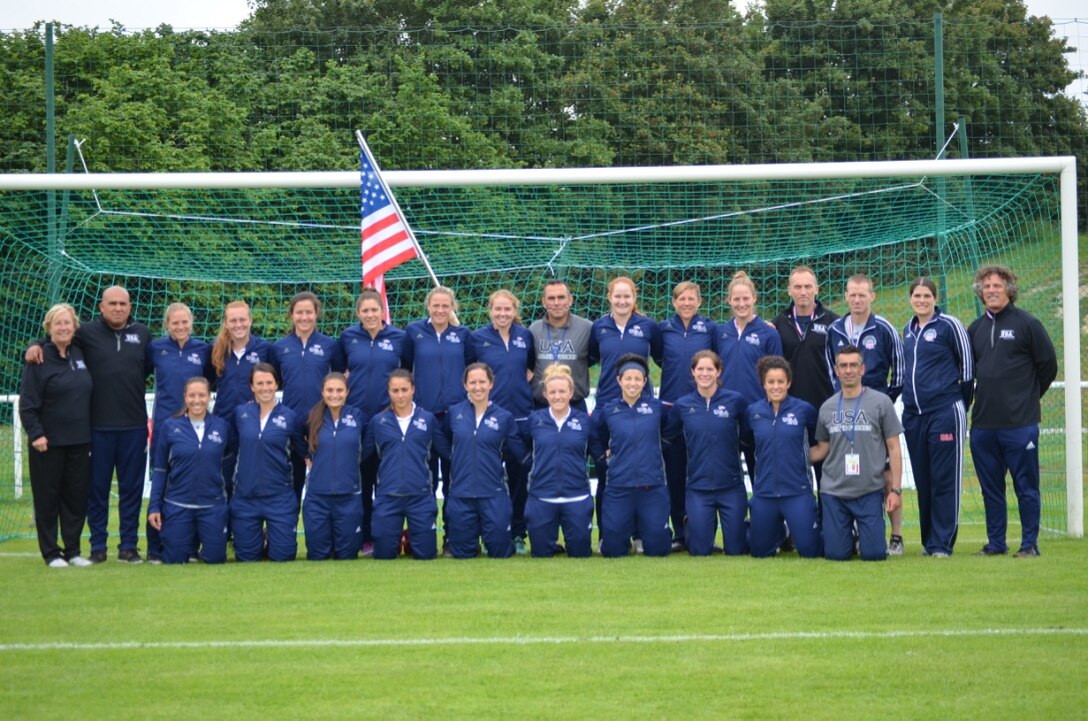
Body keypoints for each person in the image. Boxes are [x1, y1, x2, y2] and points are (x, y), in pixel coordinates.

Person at [27, 285, 152, 564]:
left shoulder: (144, 334)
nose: (118, 307)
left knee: (131, 490)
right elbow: (58, 335)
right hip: (97, 429)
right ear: (101, 307)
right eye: (112, 303)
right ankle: (97, 548)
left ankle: (128, 547)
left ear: (130, 306)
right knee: (96, 491)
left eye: (123, 303)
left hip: (133, 426)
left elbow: (149, 369)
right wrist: (33, 344)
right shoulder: (85, 335)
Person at [968, 264, 1057, 558]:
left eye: (997, 285)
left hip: (1020, 425)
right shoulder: (975, 329)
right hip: (983, 426)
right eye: (987, 286)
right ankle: (996, 544)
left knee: (1026, 487)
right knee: (991, 489)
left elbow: (1048, 367)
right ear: (980, 291)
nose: (991, 290)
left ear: (1009, 289)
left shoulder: (1027, 324)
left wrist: (1027, 399)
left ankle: (1029, 544)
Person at [824, 274, 906, 554]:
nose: (857, 300)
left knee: (884, 473)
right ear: (845, 296)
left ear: (872, 296)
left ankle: (896, 536)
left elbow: (900, 373)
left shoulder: (885, 328)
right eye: (852, 295)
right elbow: (829, 371)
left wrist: (880, 403)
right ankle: (856, 532)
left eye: (863, 295)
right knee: (849, 469)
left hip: (876, 414)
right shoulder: (834, 329)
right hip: (845, 413)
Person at [901, 277, 973, 557]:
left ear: (935, 297)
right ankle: (929, 540)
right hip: (914, 416)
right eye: (917, 295)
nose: (921, 300)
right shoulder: (907, 330)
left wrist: (957, 405)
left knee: (944, 478)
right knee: (924, 480)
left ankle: (942, 543)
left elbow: (967, 371)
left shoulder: (950, 325)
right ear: (911, 299)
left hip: (945, 411)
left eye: (926, 295)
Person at [811, 345, 904, 561]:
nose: (848, 370)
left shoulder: (881, 402)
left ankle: (864, 532)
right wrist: (793, 455)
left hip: (869, 490)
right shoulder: (827, 407)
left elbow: (894, 448)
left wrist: (895, 490)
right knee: (836, 555)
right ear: (836, 370)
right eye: (843, 365)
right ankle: (848, 533)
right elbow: (823, 448)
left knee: (874, 555)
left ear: (862, 369)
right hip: (834, 492)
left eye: (853, 365)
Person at [19, 304, 94, 568]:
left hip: (80, 441)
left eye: (68, 323)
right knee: (47, 498)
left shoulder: (81, 351)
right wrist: (36, 434)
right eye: (58, 323)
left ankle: (72, 551)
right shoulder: (38, 358)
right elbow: (27, 403)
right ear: (49, 328)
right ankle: (51, 553)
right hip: (47, 443)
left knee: (75, 498)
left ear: (75, 327)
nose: (63, 327)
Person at [339, 288, 408, 556]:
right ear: (358, 313)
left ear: (382, 312)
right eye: (365, 311)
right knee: (363, 481)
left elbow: (407, 373)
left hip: (389, 421)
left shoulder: (400, 338)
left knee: (389, 482)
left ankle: (392, 536)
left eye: (374, 310)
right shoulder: (347, 338)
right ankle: (366, 537)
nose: (370, 315)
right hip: (357, 422)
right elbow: (339, 373)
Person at [403, 286, 471, 551]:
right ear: (428, 306)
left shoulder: (463, 335)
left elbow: (473, 371)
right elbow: (405, 369)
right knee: (425, 479)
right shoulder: (414, 332)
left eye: (446, 306)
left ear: (452, 307)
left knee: (455, 478)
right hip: (425, 418)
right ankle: (423, 536)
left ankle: (453, 538)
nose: (441, 310)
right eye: (436, 305)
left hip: (455, 418)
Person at [145, 303, 213, 562]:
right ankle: (154, 548)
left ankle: (191, 547)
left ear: (191, 323)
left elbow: (209, 381)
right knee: (160, 483)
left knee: (194, 482)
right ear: (167, 324)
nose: (180, 327)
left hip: (195, 427)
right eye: (175, 323)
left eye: (185, 322)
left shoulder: (203, 350)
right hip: (164, 427)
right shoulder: (155, 349)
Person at [469, 290, 536, 554]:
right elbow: (470, 374)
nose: (502, 314)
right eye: (498, 309)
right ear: (490, 311)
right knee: (488, 477)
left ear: (514, 310)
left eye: (507, 309)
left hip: (520, 418)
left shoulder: (525, 336)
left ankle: (518, 533)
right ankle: (489, 533)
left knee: (520, 477)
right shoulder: (477, 339)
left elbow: (529, 369)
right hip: (489, 418)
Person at [664, 350, 747, 556]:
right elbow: (668, 440)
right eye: (700, 369)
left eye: (710, 369)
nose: (705, 373)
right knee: (699, 551)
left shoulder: (736, 401)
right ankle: (689, 521)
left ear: (719, 371)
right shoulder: (682, 405)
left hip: (731, 486)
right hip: (698, 488)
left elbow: (749, 436)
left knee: (737, 550)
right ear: (692, 372)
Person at [362, 369, 452, 560]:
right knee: (384, 555)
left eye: (404, 389)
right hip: (388, 496)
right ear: (388, 392)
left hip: (420, 496)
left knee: (426, 555)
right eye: (395, 390)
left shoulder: (428, 419)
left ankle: (409, 539)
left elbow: (447, 452)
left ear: (413, 389)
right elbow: (360, 455)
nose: (400, 395)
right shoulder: (378, 422)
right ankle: (398, 538)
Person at [589, 353, 671, 557]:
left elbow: (671, 432)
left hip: (652, 485)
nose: (632, 383)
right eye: (628, 378)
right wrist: (602, 458)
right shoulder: (609, 410)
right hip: (619, 486)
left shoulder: (657, 408)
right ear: (619, 380)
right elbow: (595, 436)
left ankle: (655, 533)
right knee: (613, 550)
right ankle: (621, 537)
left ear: (644, 381)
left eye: (637, 379)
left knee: (658, 550)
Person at [443, 363, 526, 559]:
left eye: (482, 382)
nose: (477, 387)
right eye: (472, 382)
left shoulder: (504, 417)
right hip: (461, 494)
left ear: (491, 384)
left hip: (493, 494)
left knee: (500, 553)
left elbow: (520, 454)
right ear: (465, 385)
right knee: (462, 555)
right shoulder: (454, 413)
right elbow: (445, 444)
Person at [658, 282, 717, 552]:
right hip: (672, 410)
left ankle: (704, 530)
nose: (686, 303)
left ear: (699, 301)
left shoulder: (710, 329)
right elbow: (660, 359)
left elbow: (715, 363)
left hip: (703, 409)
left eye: (691, 298)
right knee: (675, 472)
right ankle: (679, 533)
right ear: (674, 302)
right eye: (681, 298)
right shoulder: (662, 329)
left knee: (704, 470)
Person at [743, 356, 822, 558]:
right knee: (759, 553)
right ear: (763, 384)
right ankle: (781, 532)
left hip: (797, 491)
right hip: (765, 493)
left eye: (780, 381)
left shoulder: (804, 410)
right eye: (771, 382)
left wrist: (802, 459)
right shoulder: (753, 412)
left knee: (810, 551)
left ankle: (794, 528)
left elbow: (822, 444)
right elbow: (748, 444)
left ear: (789, 383)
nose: (776, 386)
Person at [270, 291, 345, 500]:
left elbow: (340, 378)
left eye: (309, 312)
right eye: (299, 312)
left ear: (316, 314)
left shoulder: (330, 345)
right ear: (291, 315)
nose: (304, 317)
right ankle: (287, 530)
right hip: (290, 424)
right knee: (291, 484)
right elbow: (271, 382)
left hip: (321, 422)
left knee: (323, 482)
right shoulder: (279, 347)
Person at [147, 377, 229, 564]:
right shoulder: (170, 426)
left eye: (201, 395)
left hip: (212, 505)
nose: (197, 400)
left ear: (209, 397)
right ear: (185, 397)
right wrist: (154, 507)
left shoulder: (222, 427)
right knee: (174, 560)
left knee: (215, 559)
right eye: (192, 395)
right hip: (178, 505)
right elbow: (160, 470)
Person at [231, 363, 307, 562]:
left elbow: (303, 452)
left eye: (269, 383)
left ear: (276, 385)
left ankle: (272, 536)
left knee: (283, 556)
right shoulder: (240, 414)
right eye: (260, 383)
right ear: (252, 386)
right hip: (246, 496)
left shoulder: (290, 417)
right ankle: (260, 539)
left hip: (279, 497)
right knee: (247, 558)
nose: (265, 387)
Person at [771, 266, 838, 486]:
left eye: (808, 286)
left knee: (828, 479)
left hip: (826, 410)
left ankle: (828, 520)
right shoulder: (777, 324)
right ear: (789, 290)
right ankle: (803, 521)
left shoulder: (833, 323)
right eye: (797, 287)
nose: (803, 291)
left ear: (817, 289)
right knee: (796, 476)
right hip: (792, 413)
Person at [716, 271, 783, 483]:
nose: (741, 303)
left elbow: (777, 376)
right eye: (736, 299)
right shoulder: (720, 332)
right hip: (726, 414)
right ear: (729, 301)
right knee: (728, 475)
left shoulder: (768, 333)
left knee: (761, 476)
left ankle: (763, 517)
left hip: (758, 413)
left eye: (746, 298)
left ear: (754, 298)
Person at [524, 365, 595, 558]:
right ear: (545, 394)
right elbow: (521, 447)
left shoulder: (584, 421)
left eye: (562, 391)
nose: (557, 396)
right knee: (540, 554)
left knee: (580, 553)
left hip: (577, 496)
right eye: (552, 392)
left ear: (571, 393)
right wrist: (533, 467)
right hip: (542, 497)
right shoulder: (534, 420)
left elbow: (597, 450)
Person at [210, 300, 273, 494]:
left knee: (253, 478)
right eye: (233, 320)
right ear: (226, 323)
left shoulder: (265, 349)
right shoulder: (215, 350)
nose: (238, 325)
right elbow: (205, 381)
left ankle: (251, 523)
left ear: (250, 320)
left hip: (254, 424)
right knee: (222, 480)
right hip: (223, 424)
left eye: (242, 319)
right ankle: (223, 524)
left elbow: (275, 381)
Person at [302, 373, 366, 561]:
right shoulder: (311, 418)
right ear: (322, 392)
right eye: (330, 390)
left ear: (347, 392)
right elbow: (299, 441)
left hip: (349, 496)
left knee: (347, 556)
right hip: (317, 497)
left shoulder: (358, 416)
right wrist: (307, 456)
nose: (334, 395)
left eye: (339, 390)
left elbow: (368, 445)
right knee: (318, 556)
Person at [529, 279, 593, 412]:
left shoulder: (586, 328)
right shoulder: (533, 330)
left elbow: (595, 357)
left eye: (561, 297)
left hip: (575, 406)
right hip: (541, 407)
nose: (556, 303)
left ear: (570, 300)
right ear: (543, 302)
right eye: (551, 298)